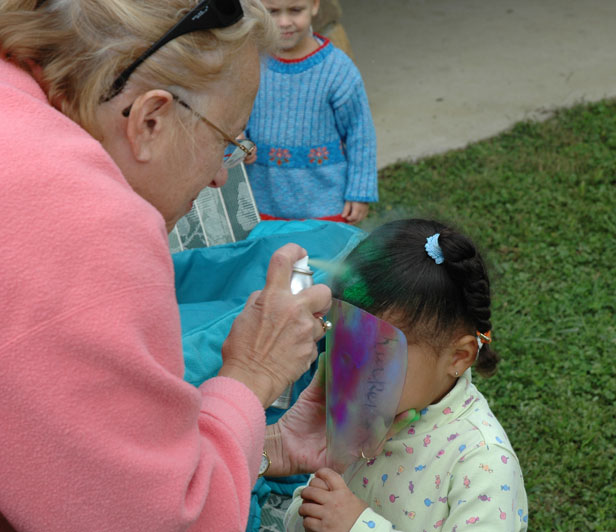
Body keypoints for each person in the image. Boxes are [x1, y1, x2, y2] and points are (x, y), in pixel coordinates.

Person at [0, 1, 333, 530]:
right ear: (151, 119)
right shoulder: (93, 223)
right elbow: (161, 521)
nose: (221, 179)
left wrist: (262, 447)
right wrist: (255, 374)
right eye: (228, 142)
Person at [284, 219, 529, 531]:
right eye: (347, 340)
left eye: (380, 351)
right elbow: (307, 504)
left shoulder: (483, 463)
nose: (354, 367)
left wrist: (357, 526)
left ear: (458, 357)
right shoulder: (360, 410)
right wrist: (307, 514)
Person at [243, 0, 378, 225]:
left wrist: (360, 190)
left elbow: (359, 132)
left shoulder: (338, 69)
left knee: (322, 259)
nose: (284, 22)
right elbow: (235, 115)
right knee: (269, 258)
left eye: (296, 10)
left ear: (314, 5)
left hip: (326, 204)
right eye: (273, 12)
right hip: (261, 201)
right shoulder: (248, 63)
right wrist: (238, 138)